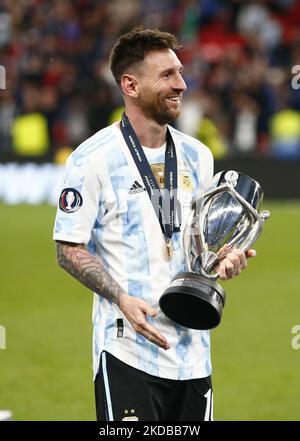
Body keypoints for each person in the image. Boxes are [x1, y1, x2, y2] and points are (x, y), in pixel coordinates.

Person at [53, 28, 255, 421]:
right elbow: (68, 249)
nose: (181, 84)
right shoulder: (92, 159)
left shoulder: (198, 156)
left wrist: (224, 259)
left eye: (180, 72)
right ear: (130, 84)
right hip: (127, 349)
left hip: (194, 351)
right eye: (166, 75)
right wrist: (121, 298)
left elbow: (201, 245)